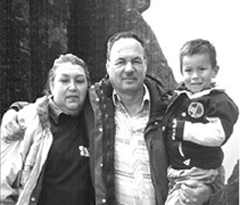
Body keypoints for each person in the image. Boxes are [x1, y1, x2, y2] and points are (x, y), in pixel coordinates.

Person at [1, 32, 223, 205]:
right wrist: (15, 111)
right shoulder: (95, 106)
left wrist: (209, 192)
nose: (129, 68)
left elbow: (211, 161)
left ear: (146, 64)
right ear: (108, 67)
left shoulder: (172, 109)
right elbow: (54, 105)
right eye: (120, 62)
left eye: (136, 61)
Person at [1, 54, 94, 205]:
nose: (73, 87)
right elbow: (4, 185)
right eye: (64, 80)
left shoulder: (95, 123)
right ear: (52, 85)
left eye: (79, 81)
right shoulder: (26, 121)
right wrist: (14, 111)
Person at [164, 39, 239, 205]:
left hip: (198, 172)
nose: (195, 76)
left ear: (214, 71)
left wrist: (186, 130)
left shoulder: (218, 100)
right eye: (189, 70)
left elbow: (218, 134)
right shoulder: (180, 96)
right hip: (176, 171)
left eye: (202, 69)